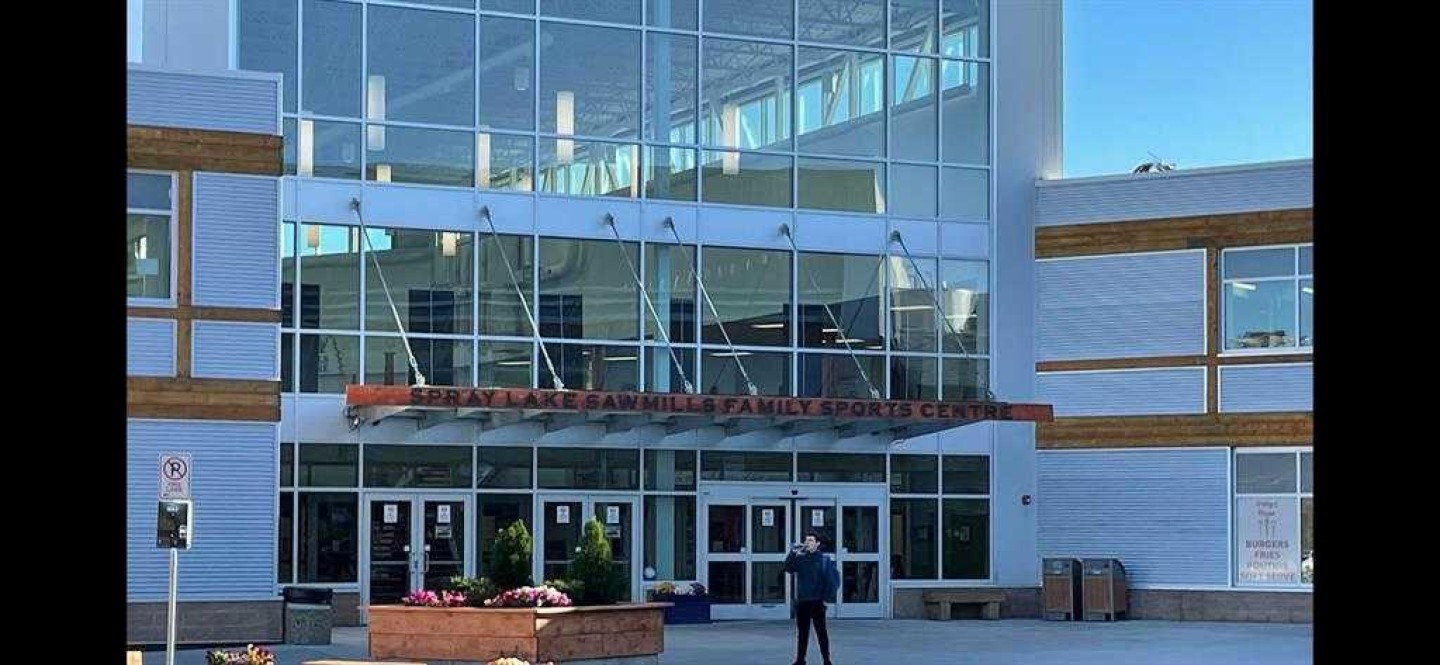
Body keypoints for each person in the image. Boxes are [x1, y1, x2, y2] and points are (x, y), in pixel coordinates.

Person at [784, 530, 840, 665]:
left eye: (811, 540)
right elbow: (788, 568)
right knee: (802, 633)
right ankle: (800, 660)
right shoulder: (801, 558)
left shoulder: (824, 560)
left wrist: (826, 598)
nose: (808, 543)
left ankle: (826, 660)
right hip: (803, 601)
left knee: (821, 633)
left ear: (817, 543)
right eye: (807, 540)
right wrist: (793, 552)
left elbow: (832, 580)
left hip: (817, 602)